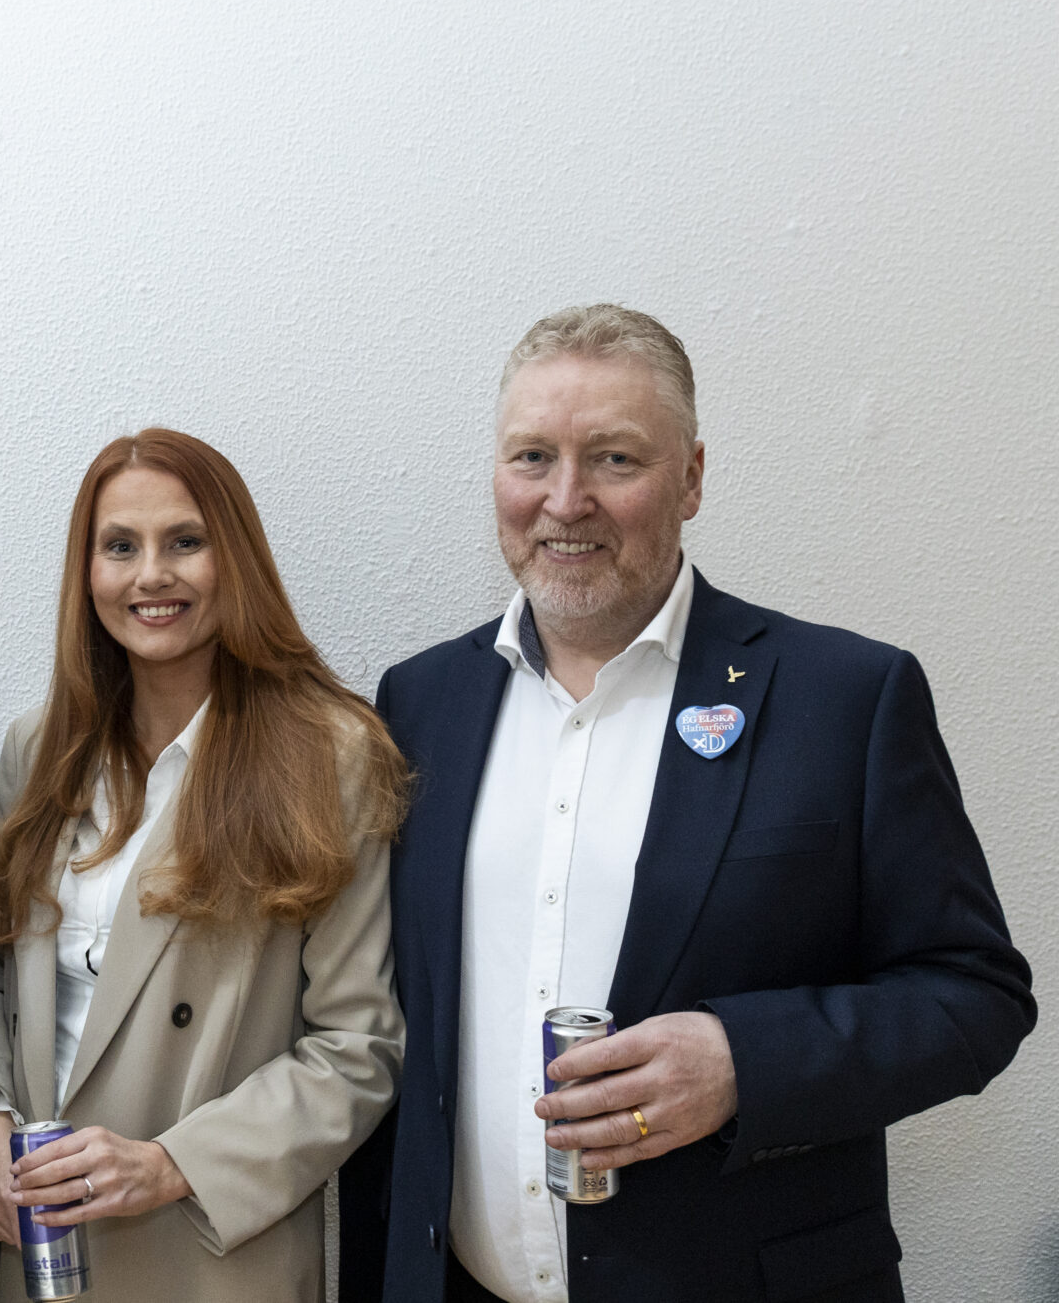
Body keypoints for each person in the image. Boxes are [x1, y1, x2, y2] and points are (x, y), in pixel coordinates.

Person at [336, 304, 1036, 1303]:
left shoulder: (843, 697)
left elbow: (975, 995)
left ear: (692, 478)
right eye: (532, 457)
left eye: (614, 459)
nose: (565, 500)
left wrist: (743, 1062)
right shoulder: (419, 701)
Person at [0, 428, 409, 1302]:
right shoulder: (38, 749)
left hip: (213, 1252)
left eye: (185, 541)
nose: (151, 574)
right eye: (120, 546)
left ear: (236, 560)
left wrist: (169, 1163)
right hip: (39, 1248)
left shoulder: (329, 756)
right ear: (87, 573)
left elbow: (358, 1048)